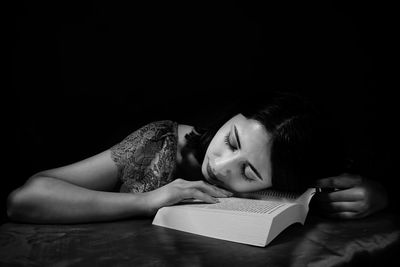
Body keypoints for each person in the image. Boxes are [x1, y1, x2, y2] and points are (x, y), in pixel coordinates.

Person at [6, 92, 388, 223]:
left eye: (249, 173)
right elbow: (25, 199)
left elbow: (348, 186)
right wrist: (145, 202)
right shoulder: (162, 142)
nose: (220, 166)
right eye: (232, 140)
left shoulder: (293, 185)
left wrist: (378, 194)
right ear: (231, 118)